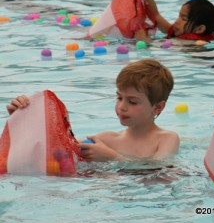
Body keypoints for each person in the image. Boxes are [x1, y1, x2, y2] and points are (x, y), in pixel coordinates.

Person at [7, 59, 180, 162]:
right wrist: (23, 118)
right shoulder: (105, 140)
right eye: (119, 97)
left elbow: (160, 169)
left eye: (132, 101)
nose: (122, 106)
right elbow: (58, 153)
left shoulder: (166, 139)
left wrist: (113, 158)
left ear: (157, 107)